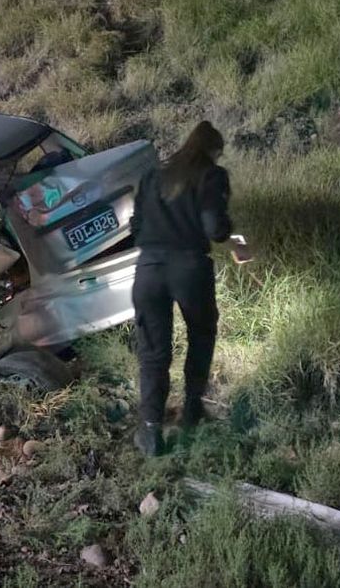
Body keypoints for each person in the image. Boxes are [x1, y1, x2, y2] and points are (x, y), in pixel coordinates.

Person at [129, 120, 243, 456]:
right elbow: (214, 227)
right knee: (201, 336)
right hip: (189, 268)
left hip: (148, 270)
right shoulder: (212, 175)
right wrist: (233, 236)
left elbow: (136, 226)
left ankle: (151, 432)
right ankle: (193, 410)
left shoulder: (152, 176)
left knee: (153, 351)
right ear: (212, 150)